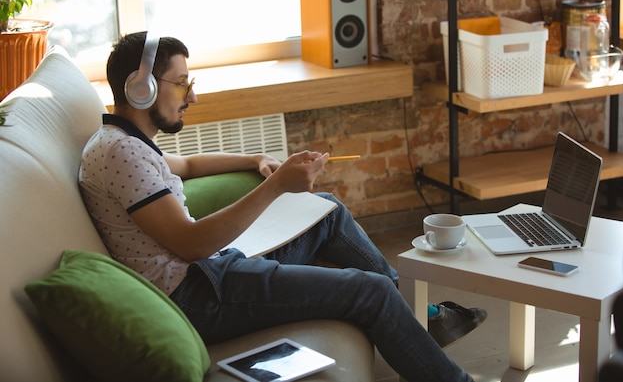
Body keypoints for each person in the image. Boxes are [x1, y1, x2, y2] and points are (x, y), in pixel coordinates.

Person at [79, 32, 486, 381]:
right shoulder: (122, 155)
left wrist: (255, 159)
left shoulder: (123, 142)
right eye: (183, 84)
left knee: (324, 212)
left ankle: (423, 317)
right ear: (141, 87)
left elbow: (187, 164)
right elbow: (190, 244)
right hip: (199, 295)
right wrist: (276, 185)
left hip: (211, 273)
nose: (193, 97)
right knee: (371, 292)